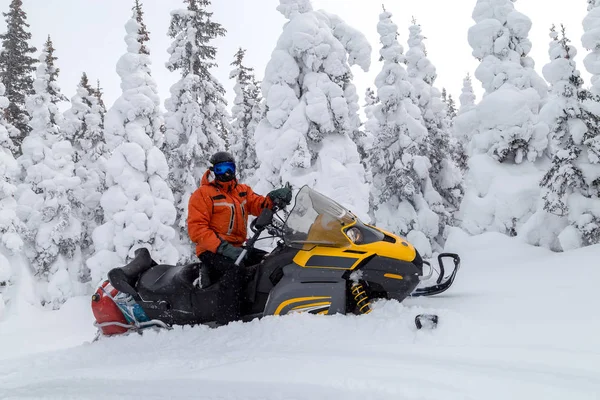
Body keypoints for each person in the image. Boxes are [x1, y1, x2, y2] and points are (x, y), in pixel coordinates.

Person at [187, 151, 292, 325]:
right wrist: (222, 247)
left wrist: (273, 199)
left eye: (230, 168)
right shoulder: (203, 194)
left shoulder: (241, 191)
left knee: (270, 260)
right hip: (211, 249)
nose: (227, 174)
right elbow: (197, 229)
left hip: (237, 247)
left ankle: (260, 306)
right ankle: (227, 320)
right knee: (234, 271)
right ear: (213, 172)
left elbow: (259, 205)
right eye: (221, 169)